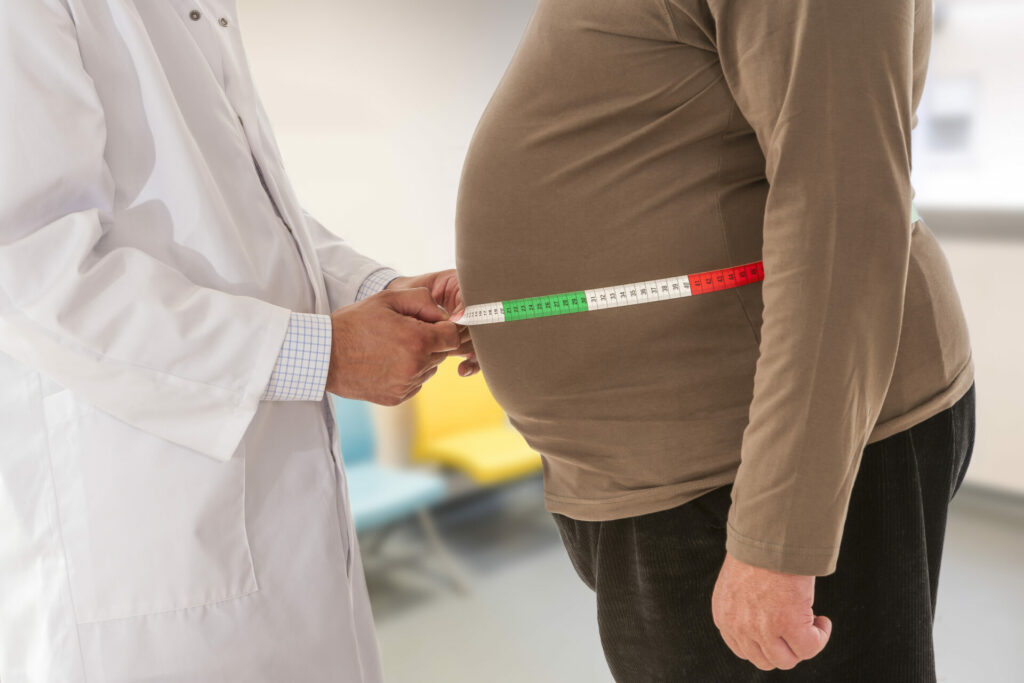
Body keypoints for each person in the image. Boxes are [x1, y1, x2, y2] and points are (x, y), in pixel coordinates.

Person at [455, 0, 975, 680]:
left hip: (750, 462)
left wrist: (778, 537)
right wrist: (524, 302)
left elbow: (843, 209)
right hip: (665, 472)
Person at [0, 1, 477, 680]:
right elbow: (33, 274)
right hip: (150, 574)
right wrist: (325, 352)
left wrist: (382, 292)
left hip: (282, 549)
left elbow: (252, 222)